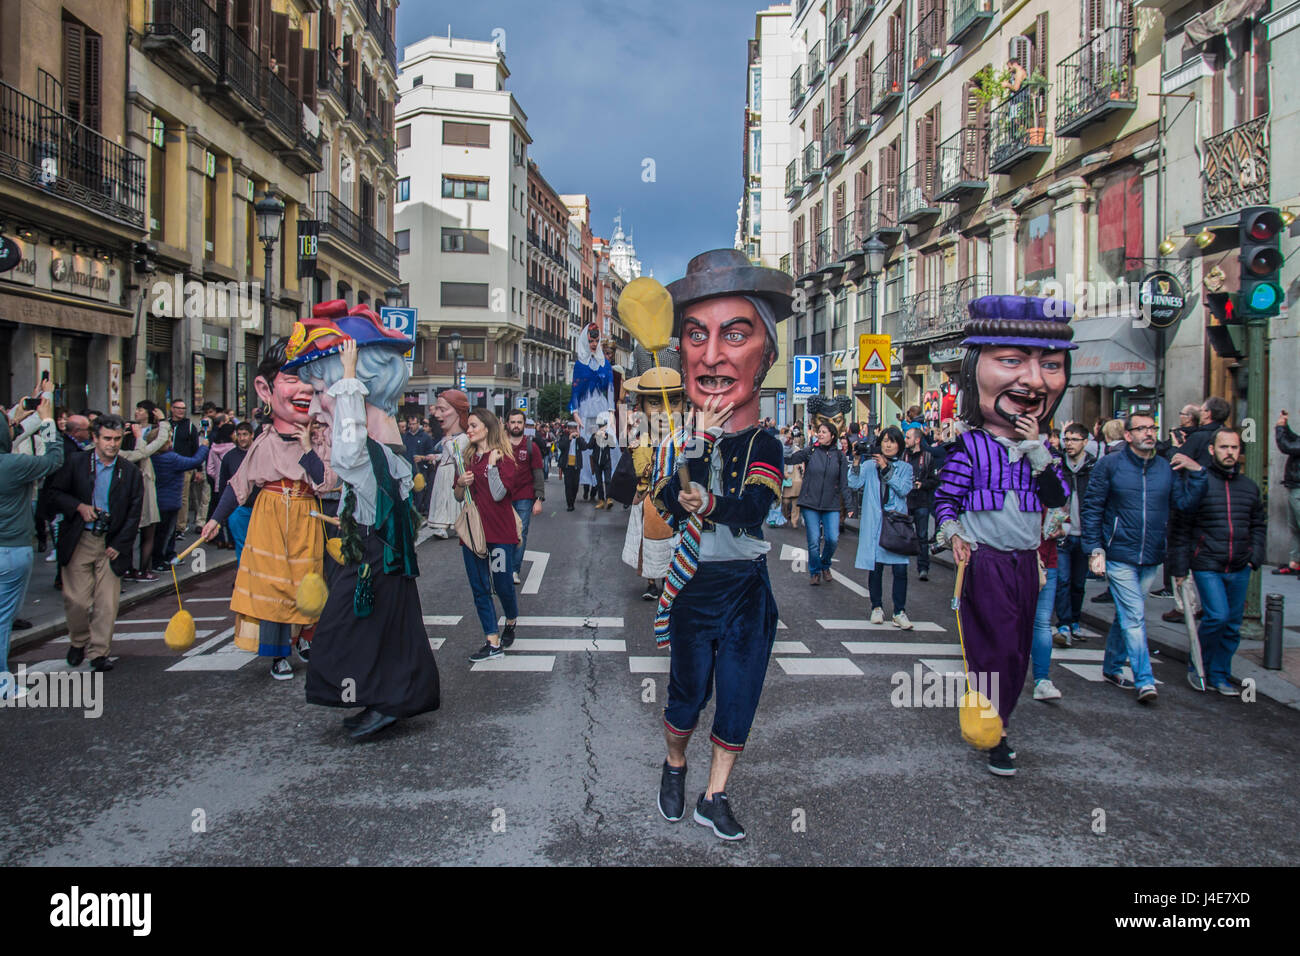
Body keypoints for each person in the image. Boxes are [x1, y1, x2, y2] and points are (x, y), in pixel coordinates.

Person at [651, 249, 789, 841]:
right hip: (691, 590)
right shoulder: (686, 443)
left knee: (737, 699)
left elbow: (756, 509)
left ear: (765, 355)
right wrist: (693, 455)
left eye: (734, 334)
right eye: (696, 336)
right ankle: (675, 764)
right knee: (686, 697)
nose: (711, 357)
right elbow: (660, 505)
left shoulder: (766, 444)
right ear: (680, 352)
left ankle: (716, 794)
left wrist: (707, 503)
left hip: (745, 594)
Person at [281, 309, 441, 739]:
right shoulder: (377, 437)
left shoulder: (373, 440)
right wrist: (307, 446)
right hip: (374, 550)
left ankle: (386, 700)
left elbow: (349, 457)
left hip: (377, 554)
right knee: (382, 632)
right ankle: (386, 700)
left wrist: (347, 378)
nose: (316, 403)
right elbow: (334, 477)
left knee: (347, 629)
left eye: (321, 389)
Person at [933, 295, 1075, 776]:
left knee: (1018, 650)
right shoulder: (970, 447)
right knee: (988, 645)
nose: (1033, 381)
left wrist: (1036, 449)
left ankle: (1003, 719)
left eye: (1050, 366)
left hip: (1027, 563)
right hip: (985, 562)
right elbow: (945, 500)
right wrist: (953, 534)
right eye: (1011, 362)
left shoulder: (1043, 450)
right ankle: (995, 732)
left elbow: (1057, 496)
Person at [204, 334, 335, 678]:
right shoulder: (263, 440)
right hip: (271, 514)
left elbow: (325, 481)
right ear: (266, 389)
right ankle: (278, 654)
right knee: (275, 585)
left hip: (307, 514)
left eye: (312, 381)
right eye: (293, 380)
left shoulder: (321, 436)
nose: (305, 390)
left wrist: (308, 446)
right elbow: (240, 484)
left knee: (309, 581)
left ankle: (306, 638)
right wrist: (215, 520)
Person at [1080, 412, 1207, 706]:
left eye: (1152, 428)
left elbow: (1183, 505)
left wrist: (1197, 472)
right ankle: (1145, 680)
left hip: (1151, 555)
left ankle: (1112, 667)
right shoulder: (1109, 465)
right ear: (1128, 436)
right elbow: (1092, 508)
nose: (1149, 433)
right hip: (1119, 553)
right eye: (1141, 429)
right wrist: (1095, 549)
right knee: (1135, 617)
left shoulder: (1165, 468)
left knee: (1127, 615)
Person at [1168, 427, 1264, 695]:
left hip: (1239, 564)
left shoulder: (1249, 487)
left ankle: (1219, 674)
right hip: (1207, 563)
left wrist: (1254, 557)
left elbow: (1258, 523)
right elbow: (1182, 526)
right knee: (1217, 617)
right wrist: (1180, 567)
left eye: (1234, 447)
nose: (1230, 452)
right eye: (1224, 447)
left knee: (1232, 625)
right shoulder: (1200, 482)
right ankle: (1198, 664)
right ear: (1212, 450)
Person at [49, 415, 143, 673]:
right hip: (80, 538)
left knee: (107, 604)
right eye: (107, 439)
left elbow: (135, 512)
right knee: (77, 600)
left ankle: (99, 652)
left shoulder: (130, 472)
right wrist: (79, 507)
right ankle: (79, 640)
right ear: (95, 438)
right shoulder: (76, 463)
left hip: (111, 544)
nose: (112, 444)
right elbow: (54, 493)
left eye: (117, 439)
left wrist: (121, 544)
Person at [0, 394, 62, 699]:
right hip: (11, 551)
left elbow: (9, 434)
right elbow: (53, 460)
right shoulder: (12, 465)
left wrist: (26, 412)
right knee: (2, 621)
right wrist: (48, 421)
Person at [456, 408, 521, 663]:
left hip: (500, 535)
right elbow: (458, 496)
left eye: (473, 425)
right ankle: (492, 642)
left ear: (487, 427)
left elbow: (498, 494)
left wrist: (492, 466)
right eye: (468, 426)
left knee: (502, 583)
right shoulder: (467, 458)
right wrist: (461, 484)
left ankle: (511, 619)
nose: (469, 430)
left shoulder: (504, 458)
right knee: (479, 587)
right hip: (473, 534)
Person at [621, 368, 685, 601]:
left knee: (676, 542)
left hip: (680, 501)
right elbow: (641, 471)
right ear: (643, 404)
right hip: (650, 499)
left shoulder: (689, 438)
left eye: (674, 401)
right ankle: (651, 583)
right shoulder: (641, 438)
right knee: (649, 541)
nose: (666, 410)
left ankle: (672, 581)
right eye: (656, 402)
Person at [849, 426, 914, 627]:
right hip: (875, 524)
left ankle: (899, 611)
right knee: (875, 567)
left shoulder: (906, 468)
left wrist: (886, 468)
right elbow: (854, 483)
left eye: (892, 441)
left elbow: (904, 489)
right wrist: (857, 461)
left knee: (900, 569)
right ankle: (876, 607)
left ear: (899, 445)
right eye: (885, 440)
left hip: (896, 524)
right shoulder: (870, 466)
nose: (888, 444)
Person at [784, 421, 850, 585]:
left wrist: (849, 506)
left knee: (832, 539)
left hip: (831, 504)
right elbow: (790, 459)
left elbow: (844, 483)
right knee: (813, 541)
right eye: (819, 432)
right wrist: (784, 447)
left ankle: (825, 564)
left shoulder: (840, 457)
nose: (820, 434)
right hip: (810, 502)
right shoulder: (811, 451)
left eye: (824, 432)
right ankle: (815, 572)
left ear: (832, 436)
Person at [1053, 422, 1096, 646]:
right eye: (1066, 439)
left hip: (1085, 534)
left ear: (1085, 442)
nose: (1068, 444)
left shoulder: (1094, 468)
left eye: (1074, 439)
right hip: (1063, 533)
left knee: (1079, 583)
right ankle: (1064, 623)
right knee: (1063, 580)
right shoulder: (1058, 466)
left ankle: (1075, 621)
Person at [118, 402, 170, 580]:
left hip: (125, 495)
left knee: (129, 534)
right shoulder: (138, 452)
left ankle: (127, 569)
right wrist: (162, 422)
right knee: (148, 533)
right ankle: (143, 570)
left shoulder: (116, 453)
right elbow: (159, 441)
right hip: (143, 493)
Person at [570, 323, 616, 502]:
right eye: (591, 341)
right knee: (587, 449)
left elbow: (610, 388)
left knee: (604, 446)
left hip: (602, 408)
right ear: (585, 341)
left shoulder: (605, 365)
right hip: (584, 409)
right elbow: (574, 390)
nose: (594, 344)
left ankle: (602, 483)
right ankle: (587, 483)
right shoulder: (579, 365)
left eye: (597, 341)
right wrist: (575, 413)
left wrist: (611, 412)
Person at [149, 437, 210, 570]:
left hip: (159, 500)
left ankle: (167, 556)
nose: (171, 443)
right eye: (168, 440)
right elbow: (195, 461)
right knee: (165, 533)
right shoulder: (170, 458)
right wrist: (204, 447)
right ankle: (159, 561)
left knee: (162, 533)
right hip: (170, 500)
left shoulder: (152, 457)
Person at [504, 408, 544, 585]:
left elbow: (538, 473)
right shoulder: (500, 445)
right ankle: (502, 568)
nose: (516, 425)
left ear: (524, 425)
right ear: (507, 424)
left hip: (524, 498)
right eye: (513, 422)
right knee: (503, 534)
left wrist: (538, 499)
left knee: (520, 533)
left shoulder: (531, 446)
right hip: (503, 497)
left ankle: (513, 569)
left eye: (519, 422)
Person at [425, 390, 470, 538]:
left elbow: (457, 456)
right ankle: (440, 525)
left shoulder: (463, 437)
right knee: (440, 498)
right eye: (437, 409)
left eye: (442, 410)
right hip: (442, 471)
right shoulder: (448, 437)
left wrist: (449, 441)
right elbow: (445, 454)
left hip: (453, 472)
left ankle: (456, 524)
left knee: (452, 499)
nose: (437, 414)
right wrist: (436, 457)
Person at [1031, 515, 1066, 701]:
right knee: (1008, 619)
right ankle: (1000, 676)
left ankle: (1042, 680)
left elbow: (1062, 525)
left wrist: (1061, 532)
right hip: (1017, 560)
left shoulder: (1056, 488)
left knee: (1042, 622)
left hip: (1048, 563)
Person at [902, 423, 938, 581]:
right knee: (903, 534)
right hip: (906, 500)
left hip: (922, 501)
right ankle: (901, 564)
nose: (905, 439)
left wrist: (922, 484)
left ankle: (923, 567)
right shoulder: (904, 455)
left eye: (908, 437)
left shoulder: (928, 457)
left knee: (922, 536)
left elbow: (935, 480)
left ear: (917, 440)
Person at [218, 420, 255, 562]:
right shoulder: (229, 457)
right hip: (238, 508)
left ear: (251, 435)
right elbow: (224, 484)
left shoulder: (259, 454)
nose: (242, 438)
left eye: (245, 434)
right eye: (239, 435)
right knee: (242, 545)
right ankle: (243, 577)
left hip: (258, 506)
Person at [166, 399, 202, 538]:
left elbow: (195, 447)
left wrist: (198, 469)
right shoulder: (166, 425)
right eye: (178, 408)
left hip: (184, 466)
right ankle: (168, 524)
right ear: (172, 409)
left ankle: (180, 527)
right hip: (167, 465)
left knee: (182, 497)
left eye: (183, 408)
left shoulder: (189, 426)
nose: (181, 411)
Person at [1276, 410, 1300, 576]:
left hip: (1299, 487)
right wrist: (1285, 426)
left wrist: (1279, 429)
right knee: (1295, 528)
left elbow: (1287, 446)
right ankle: (1295, 562)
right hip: (1295, 486)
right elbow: (1295, 440)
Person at [556, 420, 584, 510]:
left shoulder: (579, 438)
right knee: (568, 484)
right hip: (567, 464)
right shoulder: (564, 437)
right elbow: (561, 446)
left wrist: (578, 438)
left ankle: (573, 499)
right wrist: (569, 439)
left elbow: (584, 447)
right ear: (568, 429)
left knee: (575, 485)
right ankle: (570, 505)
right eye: (570, 429)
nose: (572, 431)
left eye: (574, 429)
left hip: (576, 464)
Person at [781, 435, 804, 528]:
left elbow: (802, 461)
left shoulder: (797, 450)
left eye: (791, 438)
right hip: (786, 478)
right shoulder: (781, 450)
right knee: (785, 501)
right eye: (787, 438)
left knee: (796, 502)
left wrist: (801, 467)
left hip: (796, 477)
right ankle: (786, 517)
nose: (789, 440)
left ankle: (794, 521)